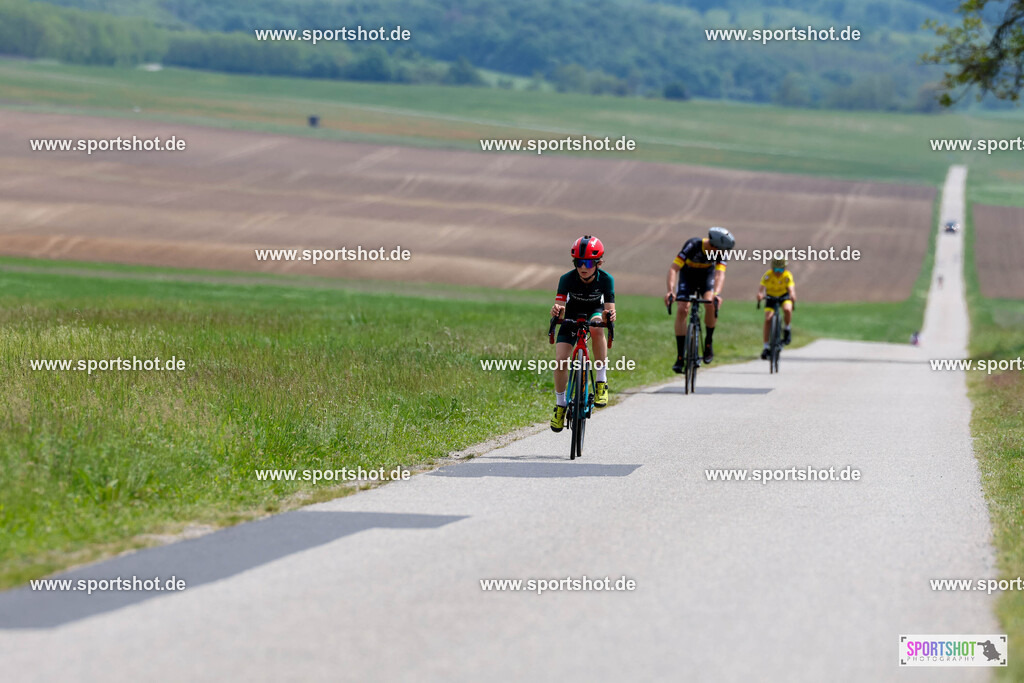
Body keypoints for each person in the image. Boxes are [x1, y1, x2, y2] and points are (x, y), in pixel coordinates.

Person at [549, 235, 616, 432]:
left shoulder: (606, 280)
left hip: (595, 312)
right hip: (571, 315)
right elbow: (560, 308)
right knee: (561, 360)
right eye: (578, 262)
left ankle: (601, 381)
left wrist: (608, 316)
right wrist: (556, 311)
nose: (582, 267)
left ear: (599, 263)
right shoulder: (566, 279)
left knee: (596, 327)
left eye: (587, 262)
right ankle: (560, 405)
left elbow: (609, 310)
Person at [665, 227, 734, 371]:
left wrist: (717, 294)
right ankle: (680, 356)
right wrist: (670, 291)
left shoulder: (721, 252)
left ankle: (708, 342)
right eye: (721, 249)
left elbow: (720, 275)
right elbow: (674, 269)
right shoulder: (693, 245)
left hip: (705, 279)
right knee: (683, 309)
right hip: (687, 277)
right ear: (714, 245)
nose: (723, 253)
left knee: (710, 304)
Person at [756, 257, 796, 358]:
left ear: (785, 268)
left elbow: (791, 289)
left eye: (781, 269)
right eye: (776, 269)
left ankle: (787, 328)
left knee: (787, 309)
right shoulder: (768, 275)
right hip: (771, 297)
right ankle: (766, 347)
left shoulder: (787, 275)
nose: (778, 272)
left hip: (783, 296)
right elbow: (761, 289)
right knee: (768, 319)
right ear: (772, 268)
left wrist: (792, 295)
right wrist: (760, 295)